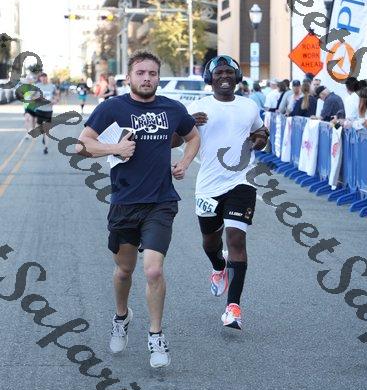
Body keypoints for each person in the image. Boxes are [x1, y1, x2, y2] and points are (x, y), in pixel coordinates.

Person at [76, 50, 200, 368]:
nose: (147, 78)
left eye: (152, 73)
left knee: (153, 270)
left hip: (161, 202)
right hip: (124, 203)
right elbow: (81, 144)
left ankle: (156, 335)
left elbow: (193, 136)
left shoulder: (172, 109)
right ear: (129, 77)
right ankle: (122, 316)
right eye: (141, 73)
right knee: (124, 271)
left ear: (158, 78)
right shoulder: (112, 108)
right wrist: (115, 148)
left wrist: (185, 163)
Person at [187, 55, 268, 330]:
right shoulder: (198, 106)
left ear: (237, 77)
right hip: (208, 184)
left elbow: (261, 133)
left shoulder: (248, 106)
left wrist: (260, 139)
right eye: (219, 72)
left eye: (229, 72)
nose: (224, 76)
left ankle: (233, 308)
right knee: (210, 242)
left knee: (236, 238)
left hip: (242, 181)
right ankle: (218, 266)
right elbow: (175, 140)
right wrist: (187, 123)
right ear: (209, 79)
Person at [34, 72, 59, 154]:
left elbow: (57, 95)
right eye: (42, 77)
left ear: (47, 78)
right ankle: (43, 135)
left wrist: (55, 100)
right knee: (39, 127)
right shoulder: (37, 86)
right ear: (40, 78)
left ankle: (46, 147)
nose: (44, 78)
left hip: (48, 110)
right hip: (39, 109)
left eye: (45, 77)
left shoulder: (52, 86)